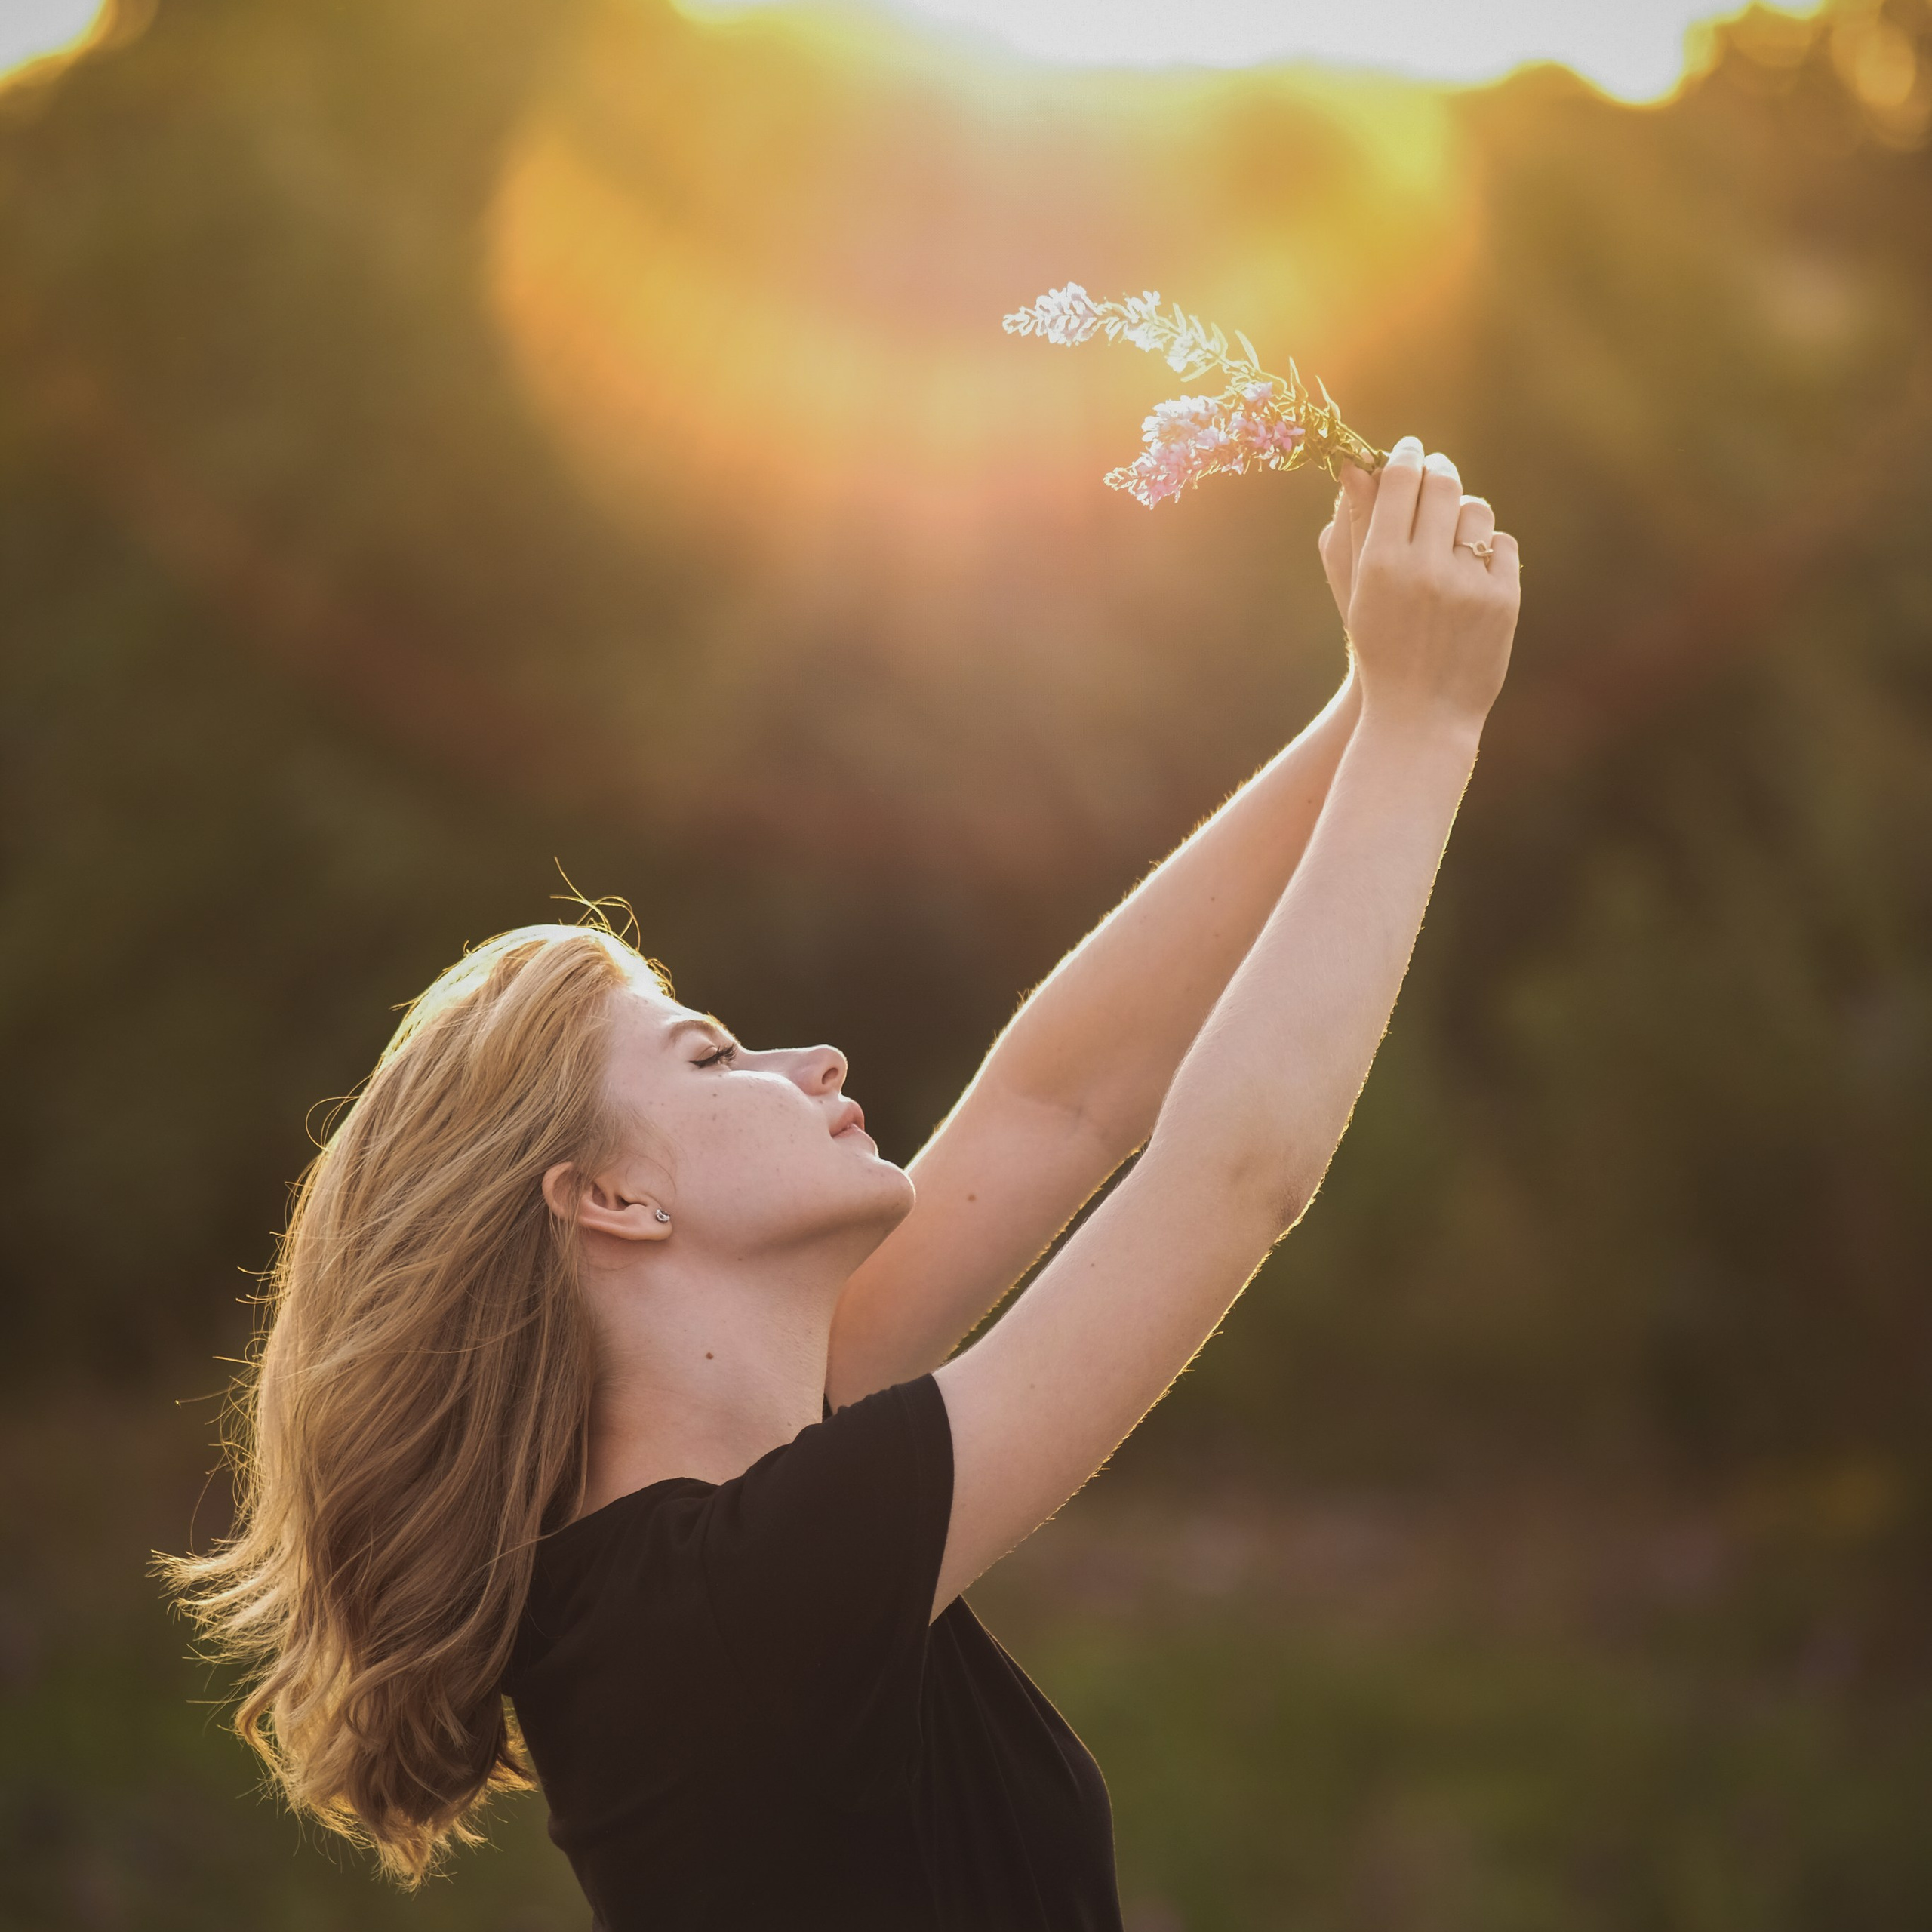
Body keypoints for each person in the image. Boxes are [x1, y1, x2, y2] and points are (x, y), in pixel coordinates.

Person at [162, 435, 1519, 1930]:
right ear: (611, 1200)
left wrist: (1363, 699)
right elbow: (1227, 1178)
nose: (808, 1057)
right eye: (709, 1051)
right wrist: (1424, 724)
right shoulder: (726, 1613)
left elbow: (1063, 1101)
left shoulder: (703, 1534)